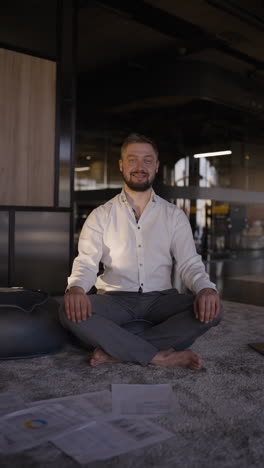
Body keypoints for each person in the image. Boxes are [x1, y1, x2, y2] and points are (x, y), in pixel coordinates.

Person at [60, 133, 223, 370]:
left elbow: (189, 263)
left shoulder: (173, 215)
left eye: (147, 160)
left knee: (214, 309)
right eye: (132, 159)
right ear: (122, 164)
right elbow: (86, 262)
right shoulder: (101, 215)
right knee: (67, 310)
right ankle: (160, 356)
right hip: (115, 300)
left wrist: (206, 289)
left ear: (156, 166)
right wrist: (75, 288)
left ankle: (117, 352)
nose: (140, 167)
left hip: (162, 299)